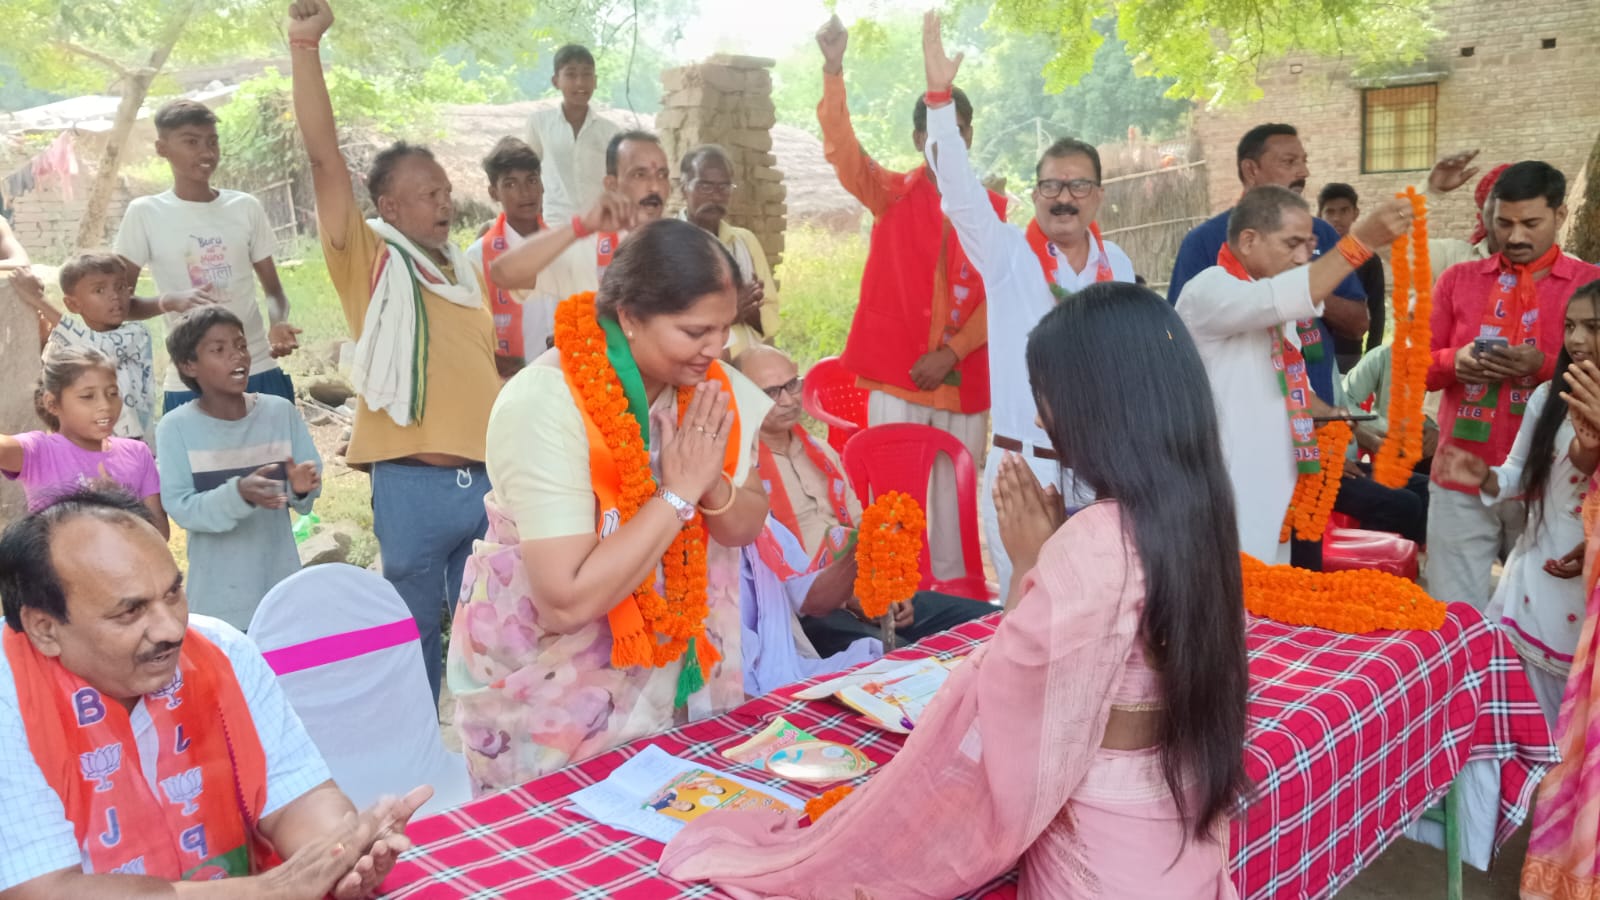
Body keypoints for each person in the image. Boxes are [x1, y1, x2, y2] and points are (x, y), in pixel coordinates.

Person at [662, 280, 1249, 899]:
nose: (1042, 417)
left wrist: (1031, 563)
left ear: (1093, 404)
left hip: (1101, 852)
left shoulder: (1098, 539)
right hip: (1175, 827)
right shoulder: (1199, 513)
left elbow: (1012, 696)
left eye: (1043, 396)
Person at [448, 218, 772, 792]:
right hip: (553, 697)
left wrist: (709, 483)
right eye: (694, 330)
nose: (715, 349)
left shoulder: (712, 389)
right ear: (628, 316)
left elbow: (746, 524)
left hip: (672, 675)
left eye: (724, 329)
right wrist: (676, 494)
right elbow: (565, 601)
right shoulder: (546, 402)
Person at [0, 487, 430, 898]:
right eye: (130, 611)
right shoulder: (9, 695)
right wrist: (267, 892)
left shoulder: (222, 651)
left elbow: (299, 793)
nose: (171, 629)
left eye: (173, 593)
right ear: (45, 629)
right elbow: (41, 890)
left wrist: (339, 855)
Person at [290, 0, 503, 700]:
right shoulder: (371, 261)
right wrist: (305, 46)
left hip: (487, 484)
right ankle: (414, 755)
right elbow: (323, 160)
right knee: (414, 638)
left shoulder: (463, 273)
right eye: (426, 192)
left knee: (490, 633)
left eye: (445, 189)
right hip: (411, 487)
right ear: (386, 203)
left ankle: (480, 754)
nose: (444, 202)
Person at [920, 13, 1135, 602]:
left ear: (1098, 197)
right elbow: (958, 192)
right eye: (1051, 186)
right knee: (1027, 613)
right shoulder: (1008, 254)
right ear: (1036, 192)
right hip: (1026, 468)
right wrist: (940, 100)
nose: (1064, 198)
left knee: (1099, 609)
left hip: (1103, 473)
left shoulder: (1117, 263)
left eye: (1078, 186)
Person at [814, 15, 1002, 585]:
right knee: (895, 504)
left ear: (969, 135)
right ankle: (894, 601)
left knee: (953, 503)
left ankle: (955, 606)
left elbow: (1001, 292)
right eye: (941, 131)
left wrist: (953, 352)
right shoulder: (890, 193)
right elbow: (841, 147)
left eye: (962, 129)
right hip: (897, 377)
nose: (953, 140)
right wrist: (832, 68)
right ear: (921, 139)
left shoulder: (993, 211)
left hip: (963, 382)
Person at [732, 345, 992, 695]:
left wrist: (887, 591)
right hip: (807, 616)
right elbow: (774, 580)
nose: (788, 400)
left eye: (792, 385)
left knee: (992, 622)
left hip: (864, 590)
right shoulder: (740, 471)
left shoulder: (821, 453)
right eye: (770, 392)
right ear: (742, 398)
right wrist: (854, 595)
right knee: (901, 668)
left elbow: (860, 527)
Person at [1175, 185, 1411, 564]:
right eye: (1293, 244)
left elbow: (1283, 383)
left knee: (1274, 598)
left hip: (1279, 486)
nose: (1304, 257)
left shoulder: (1274, 310)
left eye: (1310, 245)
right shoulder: (1210, 289)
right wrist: (1361, 241)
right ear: (1249, 240)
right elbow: (1287, 294)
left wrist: (1331, 416)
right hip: (1227, 492)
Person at [1425, 161, 1600, 610]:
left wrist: (1543, 364)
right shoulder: (1457, 281)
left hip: (1556, 479)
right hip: (1463, 472)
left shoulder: (1589, 287)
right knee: (1453, 613)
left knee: (1542, 612)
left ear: (1560, 216)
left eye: (1530, 223)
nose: (1515, 236)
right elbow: (1414, 370)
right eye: (1503, 223)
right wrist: (1454, 362)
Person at [1434, 281, 1600, 726]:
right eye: (1570, 326)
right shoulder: (1548, 397)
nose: (1577, 340)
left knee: (1577, 736)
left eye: (1593, 327)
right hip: (1535, 579)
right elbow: (1519, 473)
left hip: (1589, 596)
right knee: (1515, 722)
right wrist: (1484, 476)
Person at [113, 99, 301, 412]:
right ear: (162, 148)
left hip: (257, 367)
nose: (206, 152)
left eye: (212, 142)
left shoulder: (244, 207)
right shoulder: (145, 214)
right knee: (202, 462)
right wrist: (168, 301)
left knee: (281, 461)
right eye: (191, 142)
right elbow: (119, 307)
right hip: (192, 378)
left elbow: (275, 292)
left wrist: (278, 322)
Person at [156, 307, 321, 631]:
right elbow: (181, 508)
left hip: (282, 593)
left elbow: (306, 489)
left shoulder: (279, 412)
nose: (237, 356)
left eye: (241, 345)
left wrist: (301, 487)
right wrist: (240, 494)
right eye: (219, 350)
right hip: (219, 606)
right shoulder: (175, 428)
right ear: (189, 365)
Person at [486, 130, 670, 301]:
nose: (655, 186)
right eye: (640, 175)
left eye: (662, 175)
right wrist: (580, 226)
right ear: (611, 185)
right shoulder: (586, 249)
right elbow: (502, 274)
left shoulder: (685, 245)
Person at [0, 347, 166, 535]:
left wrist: (120, 503)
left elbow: (160, 532)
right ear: (52, 403)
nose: (105, 405)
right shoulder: (39, 451)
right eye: (88, 396)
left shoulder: (137, 453)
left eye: (112, 393)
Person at [11, 254, 155, 440]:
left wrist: (39, 299)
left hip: (132, 443)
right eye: (100, 290)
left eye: (120, 287)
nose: (114, 296)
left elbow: (97, 349)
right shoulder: (66, 339)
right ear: (73, 304)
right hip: (82, 442)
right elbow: (50, 374)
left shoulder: (137, 333)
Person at [679, 144, 779, 358]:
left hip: (749, 365)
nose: (715, 197)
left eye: (724, 188)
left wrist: (753, 313)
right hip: (698, 368)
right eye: (705, 187)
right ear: (683, 188)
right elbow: (669, 318)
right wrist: (731, 311)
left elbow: (771, 311)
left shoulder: (744, 241)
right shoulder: (667, 243)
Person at [465, 136, 553, 377]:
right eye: (511, 184)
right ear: (494, 192)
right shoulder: (478, 258)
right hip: (507, 383)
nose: (525, 193)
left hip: (564, 377)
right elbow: (467, 328)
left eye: (532, 181)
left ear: (542, 185)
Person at [525, 44, 621, 223]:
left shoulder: (610, 132)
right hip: (556, 227)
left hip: (599, 227)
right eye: (571, 74)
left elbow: (618, 184)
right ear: (556, 81)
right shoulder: (539, 124)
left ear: (595, 80)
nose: (580, 82)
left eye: (586, 74)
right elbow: (529, 175)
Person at [1317, 183, 1387, 370]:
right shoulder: (1310, 254)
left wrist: (1371, 357)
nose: (1337, 218)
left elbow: (1377, 310)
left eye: (1344, 210)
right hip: (1311, 351)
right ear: (1319, 215)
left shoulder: (1369, 259)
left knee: (1346, 398)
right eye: (1330, 212)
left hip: (1348, 353)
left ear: (1355, 213)